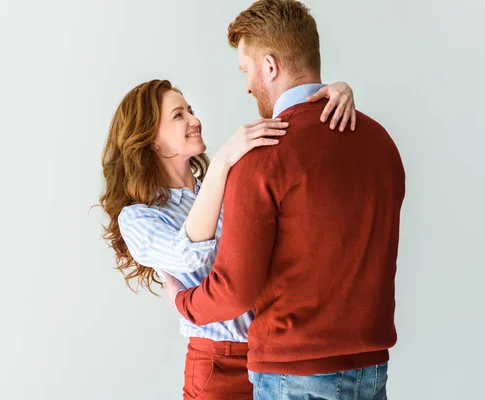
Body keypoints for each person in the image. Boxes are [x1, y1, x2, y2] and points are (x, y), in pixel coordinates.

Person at [165, 1, 406, 399]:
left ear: (270, 66)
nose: (246, 85)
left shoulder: (262, 155)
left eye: (246, 70)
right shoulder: (381, 142)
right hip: (371, 369)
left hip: (294, 376)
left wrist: (184, 301)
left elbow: (234, 290)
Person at [99, 78, 357, 399]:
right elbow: (189, 254)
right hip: (218, 364)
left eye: (190, 110)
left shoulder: (225, 182)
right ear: (151, 138)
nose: (195, 120)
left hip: (273, 356)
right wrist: (222, 161)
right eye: (179, 115)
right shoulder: (138, 217)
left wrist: (331, 94)